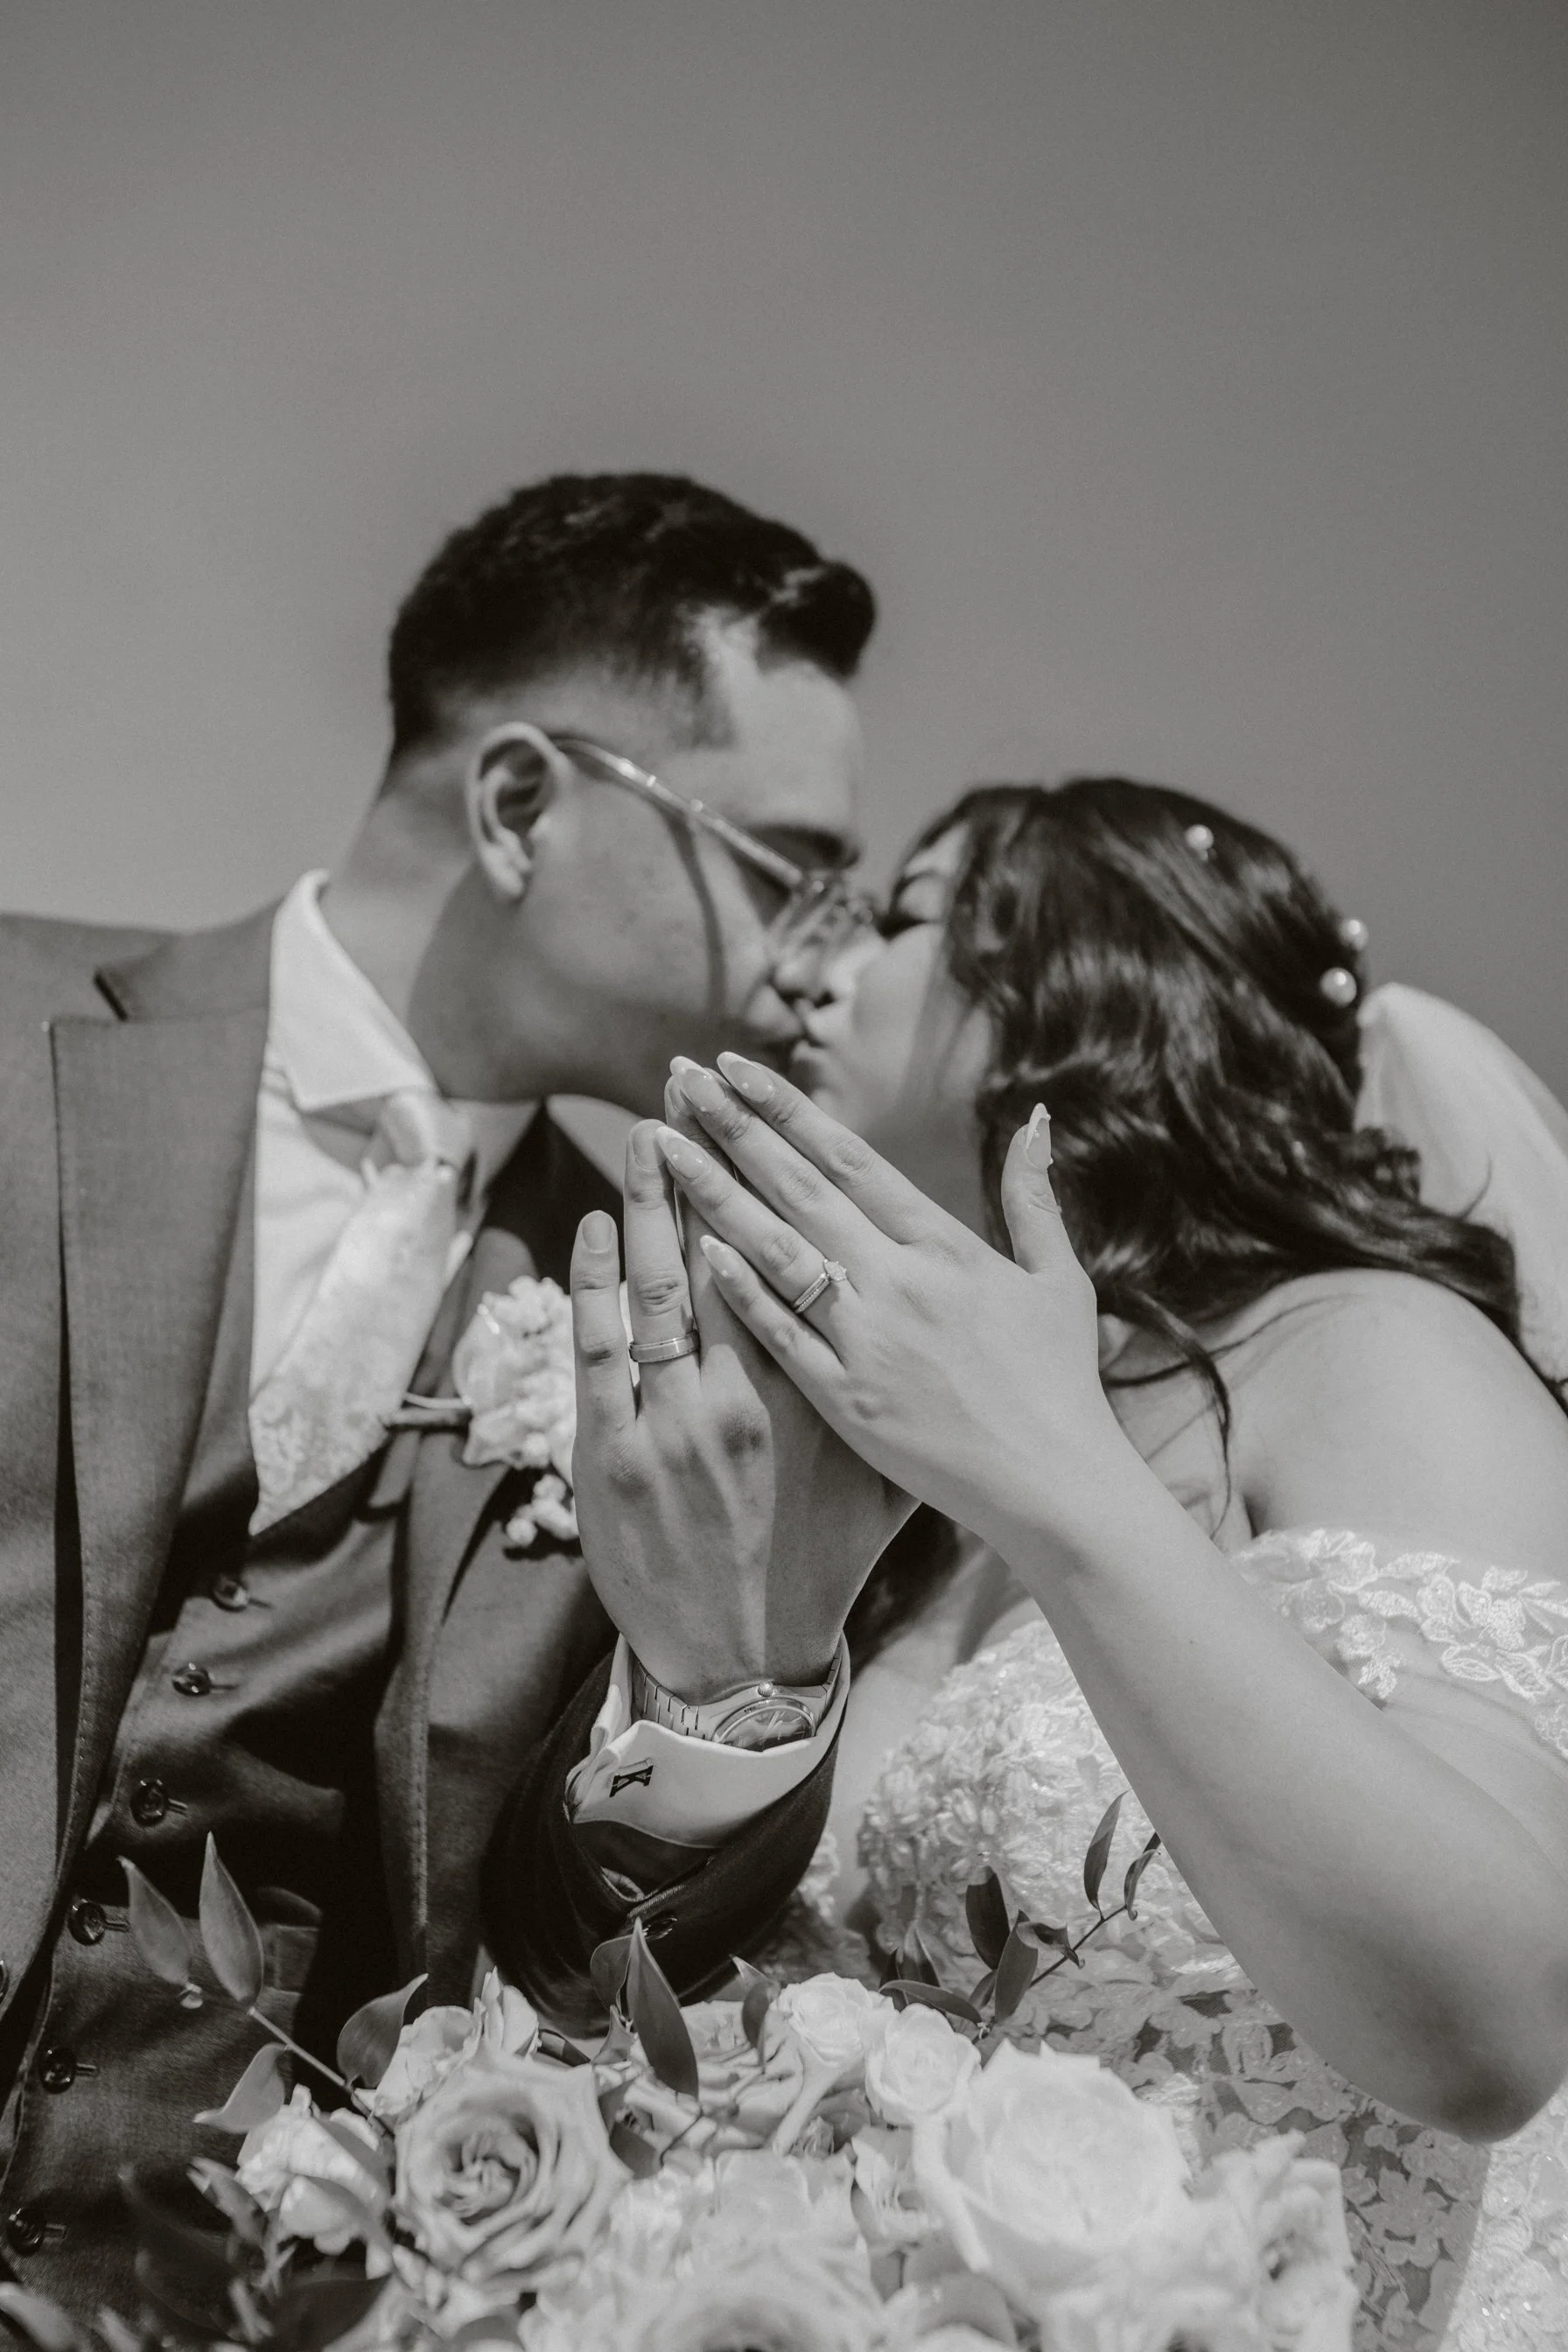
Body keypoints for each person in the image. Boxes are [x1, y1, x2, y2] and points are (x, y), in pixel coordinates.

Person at [0, 472, 911, 2315]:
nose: (816, 958)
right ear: (518, 805)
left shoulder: (671, 1324)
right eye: (782, 871)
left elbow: (571, 1968)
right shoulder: (19, 1036)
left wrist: (729, 1684)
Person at [623, 776, 1568, 2348]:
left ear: (1071, 977)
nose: (814, 974)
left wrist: (1052, 1473)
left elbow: (1488, 2025)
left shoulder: (1371, 1351)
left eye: (905, 916)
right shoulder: (905, 1498)